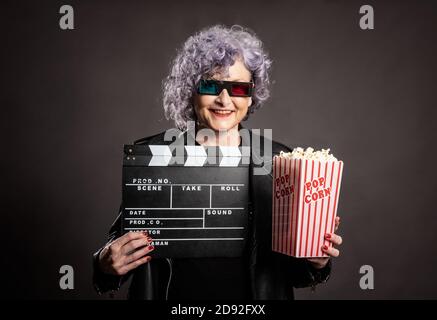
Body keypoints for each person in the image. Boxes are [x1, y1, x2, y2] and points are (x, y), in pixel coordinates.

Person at [92, 24, 343, 300]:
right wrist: (105, 264)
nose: (225, 99)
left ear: (250, 95)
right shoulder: (152, 156)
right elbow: (119, 250)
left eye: (238, 88)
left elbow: (294, 273)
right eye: (211, 85)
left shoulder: (281, 163)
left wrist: (316, 261)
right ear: (191, 90)